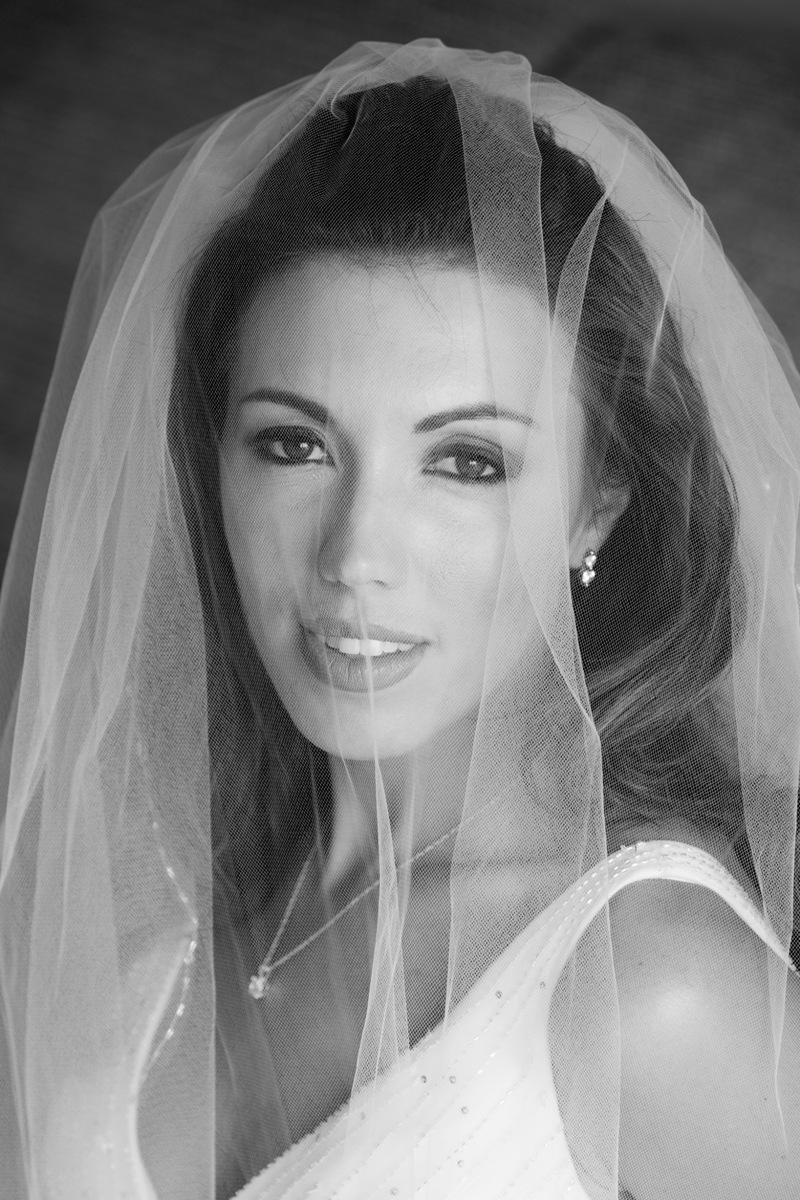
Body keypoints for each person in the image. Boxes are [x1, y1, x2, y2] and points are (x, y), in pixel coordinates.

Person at [0, 38, 798, 1200]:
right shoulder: (144, 904)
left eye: (466, 462)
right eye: (293, 444)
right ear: (211, 464)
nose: (354, 555)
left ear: (594, 508)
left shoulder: (657, 987)